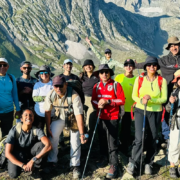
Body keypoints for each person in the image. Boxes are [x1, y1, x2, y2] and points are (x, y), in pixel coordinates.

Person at [126, 56, 167, 175]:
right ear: (146, 67)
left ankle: (149, 162)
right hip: (140, 110)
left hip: (156, 112)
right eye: (149, 65)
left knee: (153, 137)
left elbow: (163, 98)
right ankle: (134, 162)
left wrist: (151, 99)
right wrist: (141, 100)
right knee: (139, 138)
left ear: (157, 67)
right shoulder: (139, 79)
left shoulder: (161, 80)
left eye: (154, 65)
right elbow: (134, 96)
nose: (152, 67)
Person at [43, 76, 87, 179]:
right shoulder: (51, 95)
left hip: (73, 118)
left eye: (60, 85)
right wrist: (48, 127)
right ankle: (52, 161)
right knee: (53, 137)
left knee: (75, 140)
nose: (58, 88)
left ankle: (75, 165)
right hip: (58, 117)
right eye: (56, 86)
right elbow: (47, 112)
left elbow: (79, 115)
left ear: (66, 84)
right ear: (53, 86)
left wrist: (82, 133)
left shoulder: (74, 96)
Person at [91, 64, 125, 179]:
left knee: (112, 141)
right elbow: (93, 101)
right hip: (100, 117)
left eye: (107, 72)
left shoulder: (116, 85)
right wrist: (98, 105)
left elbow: (121, 100)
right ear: (99, 74)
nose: (104, 74)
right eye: (102, 72)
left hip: (113, 117)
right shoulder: (96, 86)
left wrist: (108, 101)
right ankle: (104, 157)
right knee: (102, 139)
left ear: (110, 73)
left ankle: (114, 164)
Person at [5, 108, 52, 179]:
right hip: (18, 154)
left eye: (31, 115)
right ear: (21, 119)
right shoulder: (14, 130)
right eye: (26, 115)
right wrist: (23, 165)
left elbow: (49, 146)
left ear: (33, 118)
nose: (28, 117)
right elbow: (7, 153)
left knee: (41, 145)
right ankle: (25, 166)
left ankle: (36, 169)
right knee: (13, 174)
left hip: (31, 153)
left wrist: (33, 160)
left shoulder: (37, 130)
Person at [114, 59, 136, 156]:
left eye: (130, 65)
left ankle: (125, 147)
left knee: (126, 128)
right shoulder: (118, 77)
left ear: (133, 67)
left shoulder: (136, 79)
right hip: (119, 107)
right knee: (116, 127)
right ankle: (116, 145)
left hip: (131, 108)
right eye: (126, 65)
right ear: (124, 67)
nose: (128, 67)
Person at [0, 58, 20, 139]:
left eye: (4, 65)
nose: (2, 67)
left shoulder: (11, 78)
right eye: (0, 65)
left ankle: (5, 150)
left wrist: (18, 109)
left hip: (9, 111)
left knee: (7, 134)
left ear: (8, 66)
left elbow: (15, 94)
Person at [80, 59, 99, 144]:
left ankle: (89, 137)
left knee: (89, 117)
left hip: (93, 99)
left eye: (90, 65)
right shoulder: (82, 77)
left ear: (93, 67)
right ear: (84, 67)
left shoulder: (97, 77)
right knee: (82, 117)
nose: (88, 66)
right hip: (83, 99)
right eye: (86, 65)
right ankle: (82, 136)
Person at [166, 70, 180, 178]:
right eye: (179, 79)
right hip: (176, 120)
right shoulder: (174, 93)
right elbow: (167, 109)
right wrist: (171, 103)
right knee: (174, 142)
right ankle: (172, 165)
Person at [32, 65, 54, 129]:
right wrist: (47, 98)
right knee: (39, 132)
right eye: (41, 73)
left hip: (51, 113)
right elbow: (34, 98)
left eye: (46, 72)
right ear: (39, 75)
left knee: (50, 132)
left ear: (49, 74)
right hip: (39, 113)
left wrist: (43, 98)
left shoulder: (53, 84)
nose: (44, 74)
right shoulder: (37, 84)